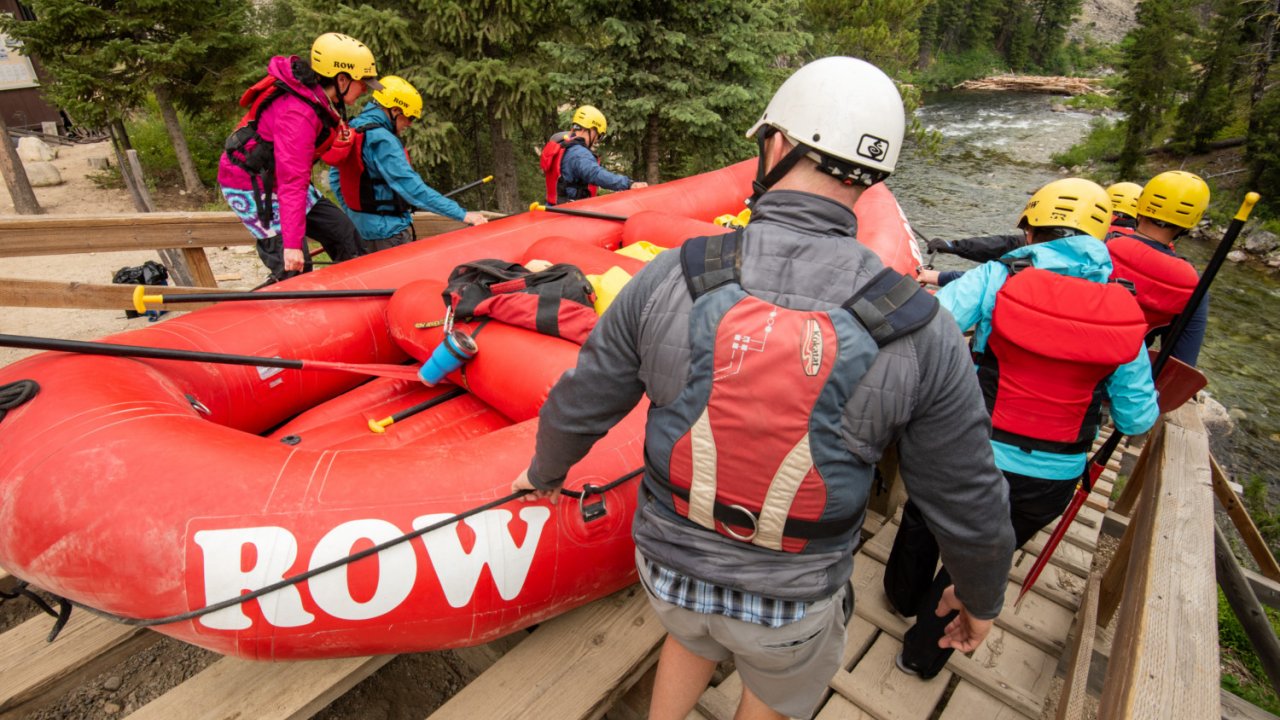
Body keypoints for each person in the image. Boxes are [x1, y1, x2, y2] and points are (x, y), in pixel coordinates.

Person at [513, 57, 1015, 720]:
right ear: (877, 177)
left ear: (776, 146)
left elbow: (583, 399)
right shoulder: (921, 329)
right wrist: (979, 597)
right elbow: (968, 495)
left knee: (689, 631)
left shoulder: (671, 274)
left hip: (669, 568)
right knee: (776, 681)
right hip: (793, 601)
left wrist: (544, 471)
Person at [885, 178, 1159, 680]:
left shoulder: (998, 276)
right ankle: (922, 655)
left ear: (1030, 232)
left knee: (924, 520)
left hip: (967, 452)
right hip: (1051, 476)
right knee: (984, 561)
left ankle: (901, 597)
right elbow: (1137, 418)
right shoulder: (1122, 309)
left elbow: (928, 329)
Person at [219, 32, 380, 282]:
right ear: (342, 79)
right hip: (252, 185)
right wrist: (292, 244)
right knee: (295, 268)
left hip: (281, 179)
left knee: (344, 235)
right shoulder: (298, 115)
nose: (364, 89)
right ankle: (290, 307)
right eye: (362, 82)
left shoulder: (319, 98)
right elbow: (292, 180)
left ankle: (353, 298)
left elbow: (317, 159)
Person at [325, 75, 487, 252]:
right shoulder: (383, 140)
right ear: (395, 110)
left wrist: (354, 214)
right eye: (410, 117)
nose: (409, 124)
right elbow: (412, 189)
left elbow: (335, 178)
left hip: (362, 232)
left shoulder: (352, 127)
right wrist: (463, 215)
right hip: (389, 235)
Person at [1106, 170, 1209, 366]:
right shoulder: (1192, 286)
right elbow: (1181, 362)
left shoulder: (1100, 247)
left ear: (1141, 203)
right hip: (1125, 375)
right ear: (1191, 222)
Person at [540, 105, 647, 205]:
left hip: (553, 208)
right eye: (599, 136)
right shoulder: (578, 153)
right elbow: (595, 174)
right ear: (591, 129)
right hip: (568, 214)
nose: (596, 141)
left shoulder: (563, 145)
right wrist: (629, 184)